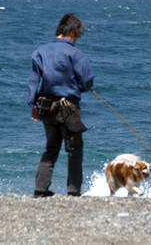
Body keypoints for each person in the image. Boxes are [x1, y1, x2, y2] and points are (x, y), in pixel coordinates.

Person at [27, 13, 94, 198]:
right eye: (77, 36)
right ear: (72, 32)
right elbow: (87, 81)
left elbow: (33, 82)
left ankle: (40, 190)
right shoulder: (75, 53)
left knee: (51, 148)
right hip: (69, 108)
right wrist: (79, 86)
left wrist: (33, 104)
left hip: (46, 107)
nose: (77, 40)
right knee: (74, 151)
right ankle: (73, 192)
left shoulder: (39, 51)